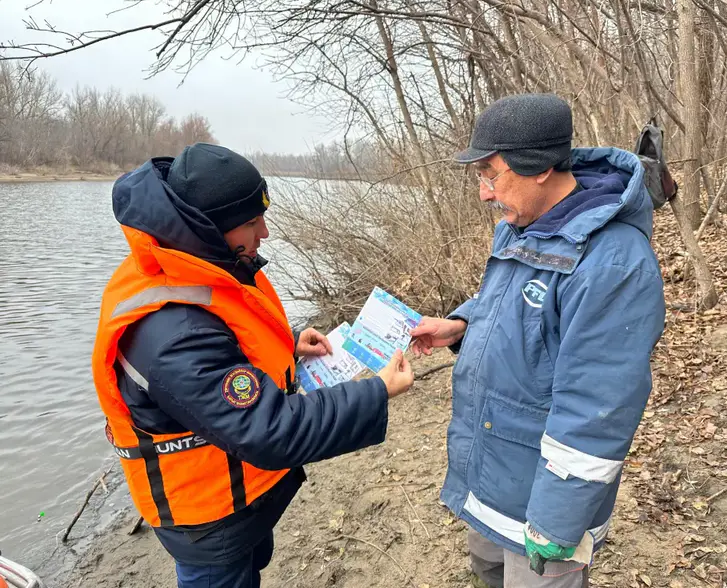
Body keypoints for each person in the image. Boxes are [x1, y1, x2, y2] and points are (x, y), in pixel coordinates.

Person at [91, 143, 415, 588]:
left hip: (244, 491)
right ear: (208, 228)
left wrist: (289, 344)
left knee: (253, 567)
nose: (264, 233)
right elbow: (268, 429)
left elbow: (228, 335)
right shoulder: (170, 332)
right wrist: (376, 390)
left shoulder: (204, 261)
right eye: (250, 222)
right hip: (209, 518)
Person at [411, 93, 666, 588]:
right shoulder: (519, 225)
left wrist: (557, 522)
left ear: (540, 168)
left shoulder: (614, 263)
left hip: (546, 500)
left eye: (492, 175)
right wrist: (461, 324)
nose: (484, 193)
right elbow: (510, 300)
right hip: (493, 471)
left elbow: (598, 406)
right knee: (487, 570)